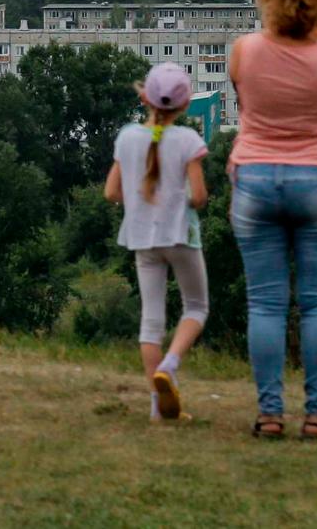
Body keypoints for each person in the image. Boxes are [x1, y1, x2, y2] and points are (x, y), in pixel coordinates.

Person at [227, 0, 317, 441]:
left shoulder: (243, 51)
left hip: (255, 180)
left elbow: (245, 98)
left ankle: (270, 413)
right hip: (316, 181)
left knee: (266, 305)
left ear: (268, 2)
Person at [104, 61, 210, 422]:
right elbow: (198, 196)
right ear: (183, 105)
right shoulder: (188, 140)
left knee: (151, 322)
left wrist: (138, 200)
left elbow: (111, 191)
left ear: (145, 98)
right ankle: (171, 363)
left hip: (141, 239)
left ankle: (156, 406)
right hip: (180, 235)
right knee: (196, 307)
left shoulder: (127, 137)